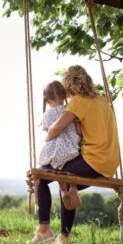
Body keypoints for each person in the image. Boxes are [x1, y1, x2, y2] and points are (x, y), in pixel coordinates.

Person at [32, 65, 120, 244]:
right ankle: (62, 236)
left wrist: (48, 136)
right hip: (109, 162)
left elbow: (57, 127)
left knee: (41, 176)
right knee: (66, 181)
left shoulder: (79, 101)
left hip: (92, 160)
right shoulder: (102, 100)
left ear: (69, 85)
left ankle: (45, 231)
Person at [38, 81, 82, 211]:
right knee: (69, 166)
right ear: (64, 96)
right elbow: (79, 131)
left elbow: (49, 135)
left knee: (58, 166)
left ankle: (63, 190)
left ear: (47, 100)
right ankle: (73, 187)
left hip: (57, 152)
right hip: (73, 150)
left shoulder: (47, 115)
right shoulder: (70, 111)